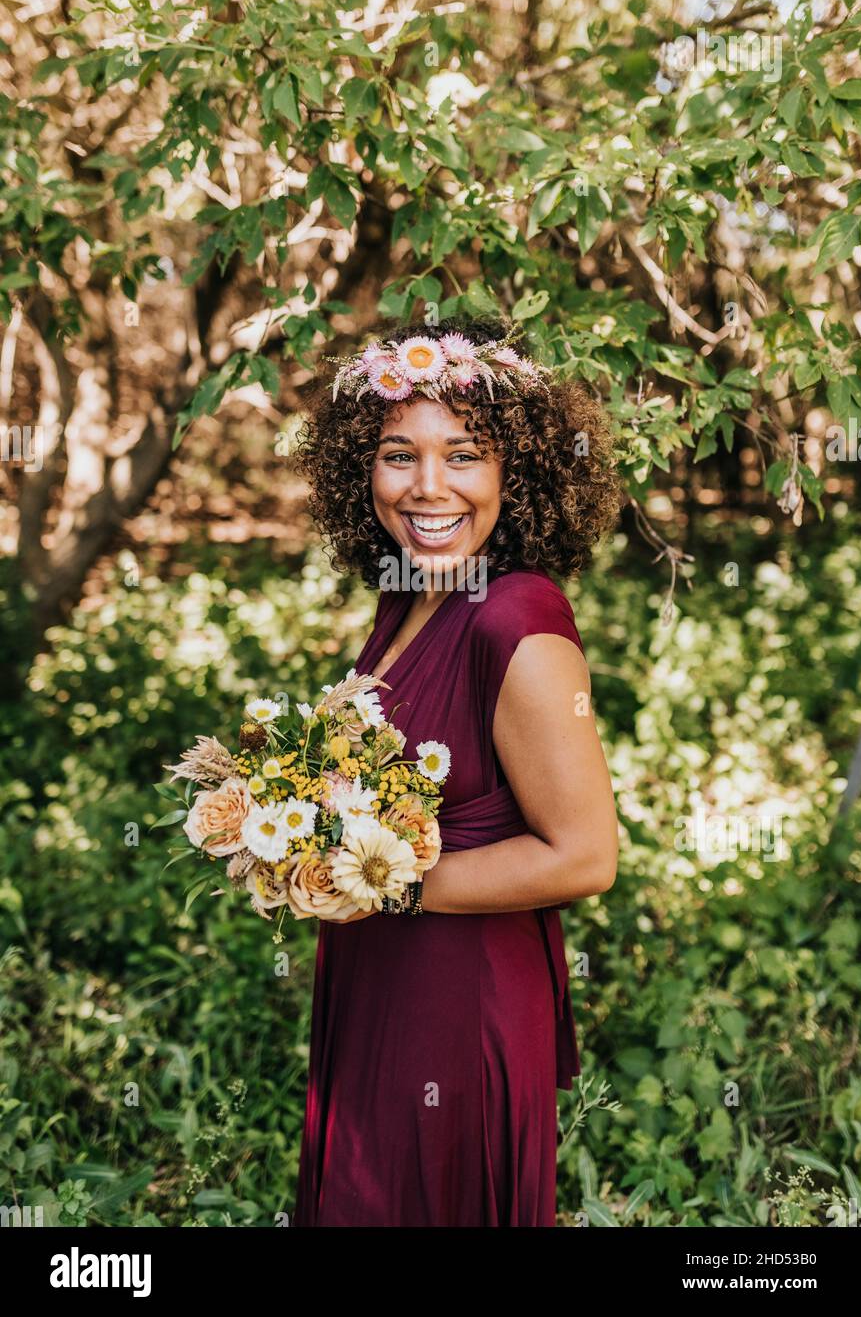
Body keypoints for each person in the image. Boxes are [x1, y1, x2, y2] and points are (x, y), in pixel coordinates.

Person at [290, 315, 620, 1226]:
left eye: (464, 454)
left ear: (517, 470)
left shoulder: (515, 621)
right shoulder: (414, 594)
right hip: (383, 982)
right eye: (398, 455)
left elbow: (584, 856)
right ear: (360, 468)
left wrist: (372, 884)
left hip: (459, 1004)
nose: (427, 487)